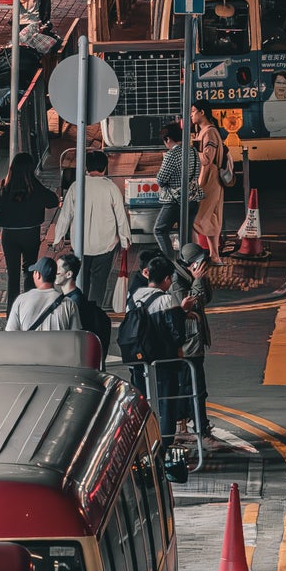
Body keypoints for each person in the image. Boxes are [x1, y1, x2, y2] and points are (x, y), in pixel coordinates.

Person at [53, 151, 132, 306]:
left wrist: (59, 237)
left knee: (81, 281)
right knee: (99, 283)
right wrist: (125, 240)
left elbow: (65, 215)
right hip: (105, 245)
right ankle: (94, 312)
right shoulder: (111, 188)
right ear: (104, 168)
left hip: (80, 246)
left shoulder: (76, 186)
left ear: (86, 167)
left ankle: (80, 310)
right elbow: (121, 217)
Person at [0, 151, 59, 309]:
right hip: (31, 233)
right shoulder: (34, 187)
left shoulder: (4, 185)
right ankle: (28, 308)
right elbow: (52, 201)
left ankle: (12, 311)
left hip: (9, 234)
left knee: (13, 274)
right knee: (30, 270)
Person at [122, 254, 186, 440]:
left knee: (142, 404)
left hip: (138, 361)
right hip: (164, 363)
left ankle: (144, 442)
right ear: (167, 279)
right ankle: (164, 445)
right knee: (166, 405)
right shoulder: (167, 301)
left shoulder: (134, 298)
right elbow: (177, 334)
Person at [175, 242, 214, 436]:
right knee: (193, 388)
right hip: (188, 345)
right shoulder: (177, 280)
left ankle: (199, 426)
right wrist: (198, 280)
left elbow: (206, 299)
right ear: (191, 264)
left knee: (198, 387)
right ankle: (198, 428)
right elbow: (191, 304)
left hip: (196, 343)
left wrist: (201, 279)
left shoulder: (192, 276)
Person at [153, 121, 200, 256]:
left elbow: (161, 179)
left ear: (168, 139)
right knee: (185, 233)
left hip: (175, 201)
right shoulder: (192, 150)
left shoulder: (171, 155)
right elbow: (197, 171)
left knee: (160, 230)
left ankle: (169, 262)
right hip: (193, 197)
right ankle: (187, 262)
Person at [6, 256, 82, 332]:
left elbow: (11, 334)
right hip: (57, 344)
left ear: (38, 274)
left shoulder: (21, 300)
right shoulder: (69, 303)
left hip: (29, 344)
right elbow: (75, 336)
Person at [57, 252, 111, 355]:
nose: (54, 274)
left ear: (69, 274)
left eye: (58, 272)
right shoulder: (75, 297)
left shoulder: (74, 302)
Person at [191, 104, 226, 259]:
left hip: (209, 179)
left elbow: (207, 158)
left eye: (193, 112)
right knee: (210, 218)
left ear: (202, 112)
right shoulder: (204, 131)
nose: (191, 115)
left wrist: (191, 150)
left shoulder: (209, 132)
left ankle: (195, 257)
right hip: (209, 179)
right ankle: (214, 256)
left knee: (194, 219)